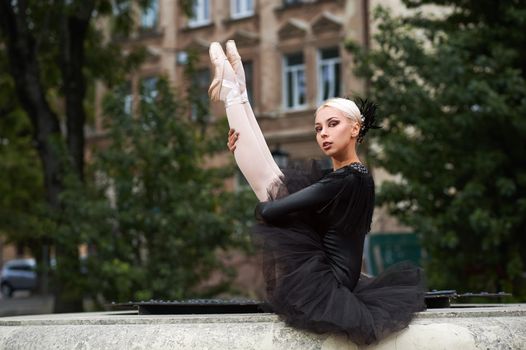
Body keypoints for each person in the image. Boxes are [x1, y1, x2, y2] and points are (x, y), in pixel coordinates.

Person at [209, 41, 426, 345]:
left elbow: (270, 210)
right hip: (335, 277)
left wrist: (269, 208)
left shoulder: (347, 179)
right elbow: (274, 185)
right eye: (318, 128)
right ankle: (238, 95)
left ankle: (236, 95)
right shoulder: (352, 176)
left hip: (328, 284)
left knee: (271, 187)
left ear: (355, 129)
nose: (323, 133)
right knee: (272, 179)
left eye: (333, 124)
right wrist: (242, 153)